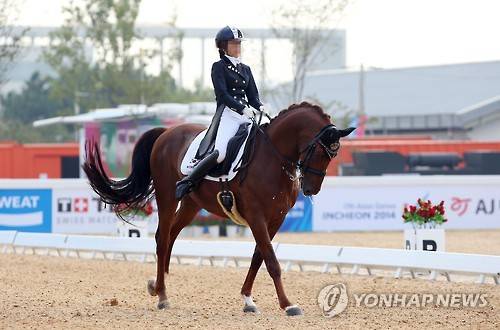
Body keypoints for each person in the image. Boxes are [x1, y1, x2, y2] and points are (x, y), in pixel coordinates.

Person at [175, 25, 269, 200]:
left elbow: (253, 96)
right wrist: (242, 108)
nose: (238, 47)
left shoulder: (246, 69)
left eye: (239, 43)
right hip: (228, 114)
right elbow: (223, 95)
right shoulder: (218, 67)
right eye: (234, 43)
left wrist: (260, 107)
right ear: (223, 46)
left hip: (246, 115)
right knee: (221, 153)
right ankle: (188, 181)